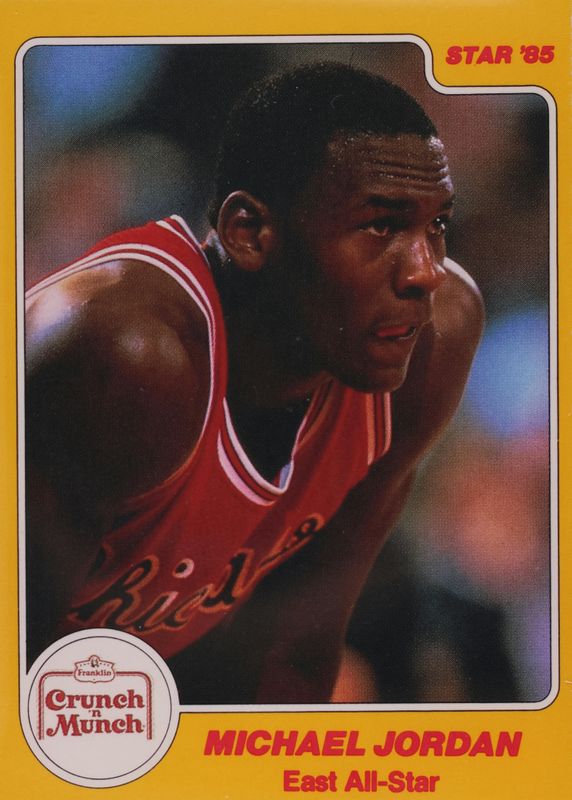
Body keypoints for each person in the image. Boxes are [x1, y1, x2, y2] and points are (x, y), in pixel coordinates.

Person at [25, 62, 483, 703]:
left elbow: (298, 650)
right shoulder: (131, 359)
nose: (426, 272)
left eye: (436, 226)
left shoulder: (434, 339)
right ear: (248, 233)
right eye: (381, 225)